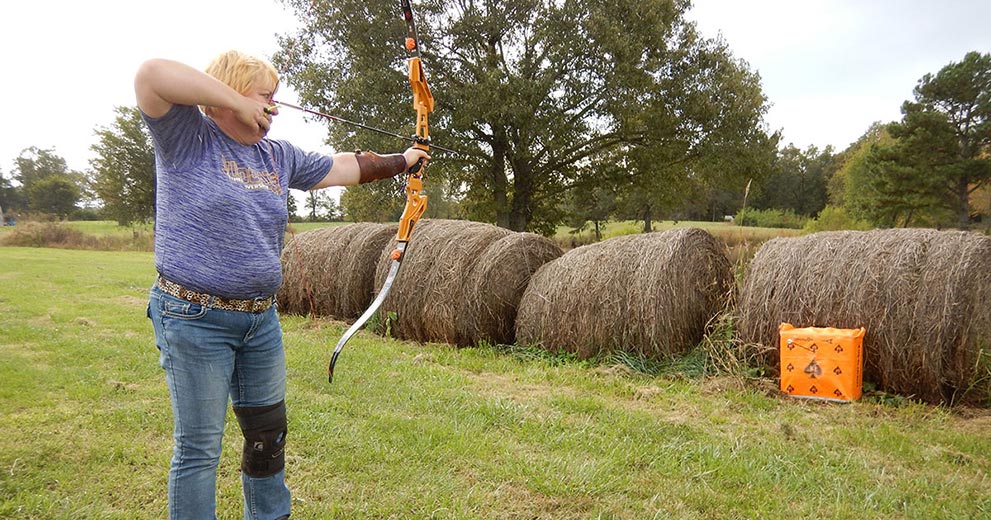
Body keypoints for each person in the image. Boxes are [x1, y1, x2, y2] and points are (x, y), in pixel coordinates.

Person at [135, 50, 429, 520]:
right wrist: (235, 99)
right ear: (229, 93)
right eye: (265, 95)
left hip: (260, 321)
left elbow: (340, 167)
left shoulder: (277, 155)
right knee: (199, 448)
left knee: (267, 436)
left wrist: (403, 160)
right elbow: (152, 74)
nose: (274, 105)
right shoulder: (187, 138)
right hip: (195, 318)